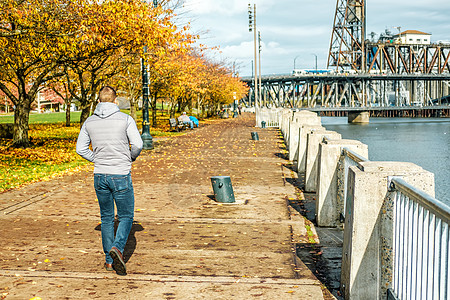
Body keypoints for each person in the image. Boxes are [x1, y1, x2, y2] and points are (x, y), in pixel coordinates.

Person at [76, 86, 143, 276]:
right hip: (120, 173)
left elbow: (80, 149)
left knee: (106, 218)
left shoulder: (89, 121)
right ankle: (117, 248)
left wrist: (96, 158)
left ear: (98, 102)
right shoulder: (125, 119)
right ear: (115, 101)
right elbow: (138, 144)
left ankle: (108, 261)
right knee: (126, 216)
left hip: (100, 175)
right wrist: (130, 157)